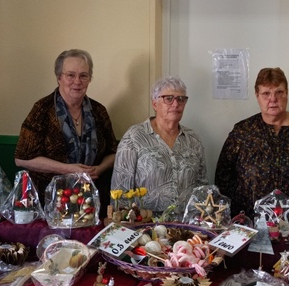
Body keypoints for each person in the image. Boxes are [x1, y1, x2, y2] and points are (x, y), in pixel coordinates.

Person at [14, 49, 117, 212]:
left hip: (92, 202)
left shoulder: (99, 111)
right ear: (59, 78)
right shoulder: (42, 109)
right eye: (70, 75)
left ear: (89, 79)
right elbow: (21, 159)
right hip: (49, 203)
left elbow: (113, 152)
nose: (77, 81)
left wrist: (98, 169)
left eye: (83, 75)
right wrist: (69, 169)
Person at [215, 67, 289, 221]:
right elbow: (223, 177)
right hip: (249, 223)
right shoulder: (242, 131)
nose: (273, 99)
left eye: (279, 92)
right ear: (257, 96)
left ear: (287, 93)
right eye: (266, 93)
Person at [111, 76, 207, 213]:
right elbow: (120, 190)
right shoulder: (134, 137)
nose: (176, 104)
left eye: (181, 99)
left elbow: (202, 187)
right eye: (168, 98)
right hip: (145, 222)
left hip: (187, 223)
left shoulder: (193, 139)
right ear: (155, 104)